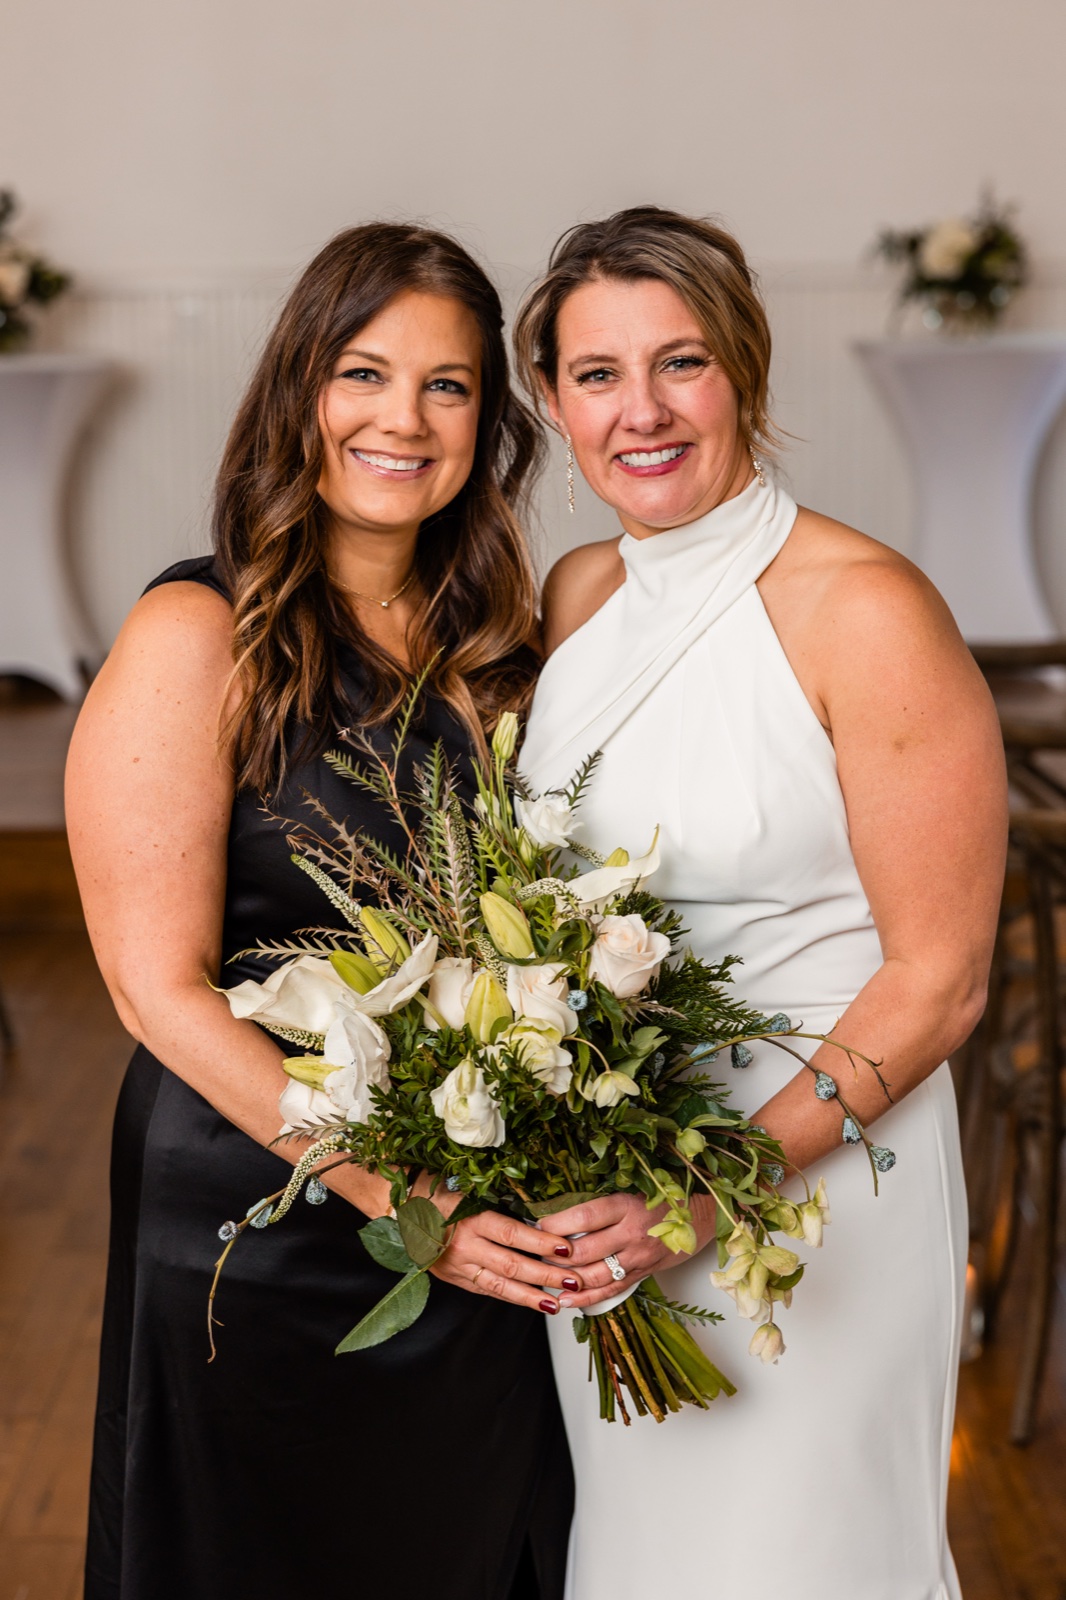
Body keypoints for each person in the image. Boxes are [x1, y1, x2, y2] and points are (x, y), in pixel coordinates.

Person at [68, 221, 575, 1600]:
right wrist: (402, 1200)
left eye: (448, 385)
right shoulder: (198, 634)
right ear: (299, 391)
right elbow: (151, 987)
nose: (401, 419)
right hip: (261, 1210)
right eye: (363, 372)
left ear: (489, 420)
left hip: (470, 1201)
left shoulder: (502, 645)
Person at [513, 206, 1006, 1600]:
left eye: (682, 363)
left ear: (746, 371)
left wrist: (703, 1198)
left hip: (818, 1186)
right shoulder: (577, 595)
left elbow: (940, 979)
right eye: (597, 375)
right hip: (609, 1198)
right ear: (552, 402)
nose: (643, 411)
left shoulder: (866, 608)